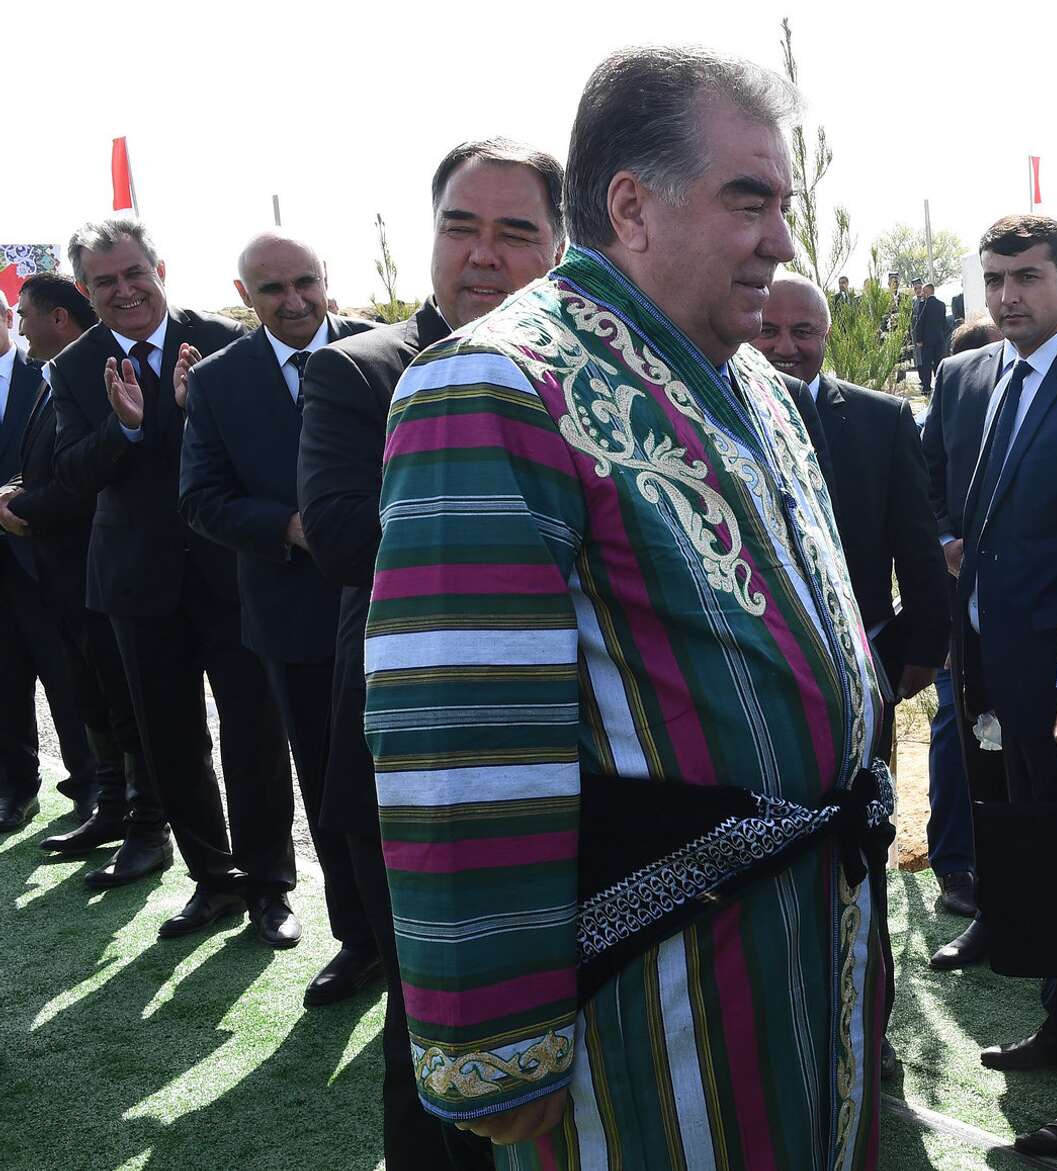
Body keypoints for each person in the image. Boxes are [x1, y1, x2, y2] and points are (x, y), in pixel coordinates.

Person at [367, 46, 889, 1167]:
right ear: (630, 206)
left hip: (800, 939)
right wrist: (495, 1042)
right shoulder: (493, 382)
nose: (782, 241)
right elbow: (458, 743)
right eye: (748, 201)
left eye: (782, 204)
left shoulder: (753, 380)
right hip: (650, 986)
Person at [301, 137, 560, 1171]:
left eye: (515, 232)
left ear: (559, 246)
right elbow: (339, 533)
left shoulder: (586, 376)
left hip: (569, 773)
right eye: (461, 226)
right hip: (413, 773)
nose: (483, 255)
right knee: (436, 1041)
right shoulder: (359, 370)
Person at [919, 213, 1057, 1156]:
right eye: (994, 278)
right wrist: (943, 542)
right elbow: (930, 491)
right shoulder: (963, 377)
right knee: (1022, 849)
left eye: (1027, 277)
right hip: (981, 671)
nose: (1007, 296)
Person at [48, 218, 299, 943]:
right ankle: (212, 879)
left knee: (255, 730)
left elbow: (265, 447)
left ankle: (269, 887)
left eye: (134, 272)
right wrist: (123, 428)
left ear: (160, 266)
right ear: (87, 292)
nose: (124, 290)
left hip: (234, 573)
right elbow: (68, 477)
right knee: (170, 739)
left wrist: (198, 413)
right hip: (136, 584)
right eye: (104, 281)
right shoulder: (72, 367)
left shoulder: (225, 341)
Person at [175, 232, 379, 996]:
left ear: (328, 279)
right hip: (295, 618)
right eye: (272, 290)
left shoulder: (383, 352)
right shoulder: (221, 382)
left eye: (305, 283)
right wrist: (292, 526)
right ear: (243, 294)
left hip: (397, 605)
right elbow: (200, 499)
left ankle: (425, 939)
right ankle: (359, 941)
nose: (294, 302)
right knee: (330, 785)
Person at [755, 274, 949, 709]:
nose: (785, 348)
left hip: (865, 656)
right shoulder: (716, 416)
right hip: (760, 663)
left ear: (826, 335)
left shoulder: (882, 419)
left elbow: (918, 545)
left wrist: (924, 650)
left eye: (803, 332)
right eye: (768, 331)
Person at [9, 273, 137, 859]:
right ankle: (108, 808)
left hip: (97, 571)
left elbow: (79, 480)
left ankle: (139, 820)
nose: (19, 323)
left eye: (25, 313)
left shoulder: (98, 375)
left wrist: (18, 506)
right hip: (61, 573)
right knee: (92, 696)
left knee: (117, 700)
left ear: (60, 318)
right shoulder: (56, 375)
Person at [0, 295, 94, 831]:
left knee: (69, 677)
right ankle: (16, 788)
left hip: (48, 552)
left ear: (8, 319)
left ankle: (91, 788)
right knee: (4, 680)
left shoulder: (52, 370)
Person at [922, 316, 1004, 922]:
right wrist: (945, 539)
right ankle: (954, 862)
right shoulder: (953, 392)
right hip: (961, 607)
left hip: (1032, 613)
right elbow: (927, 486)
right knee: (956, 722)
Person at [911, 279, 950, 396]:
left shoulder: (924, 304)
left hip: (926, 341)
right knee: (938, 364)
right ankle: (940, 388)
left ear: (927, 292)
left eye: (923, 291)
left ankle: (927, 387)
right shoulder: (942, 305)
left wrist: (918, 339)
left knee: (927, 364)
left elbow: (920, 323)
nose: (922, 294)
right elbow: (944, 323)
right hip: (939, 340)